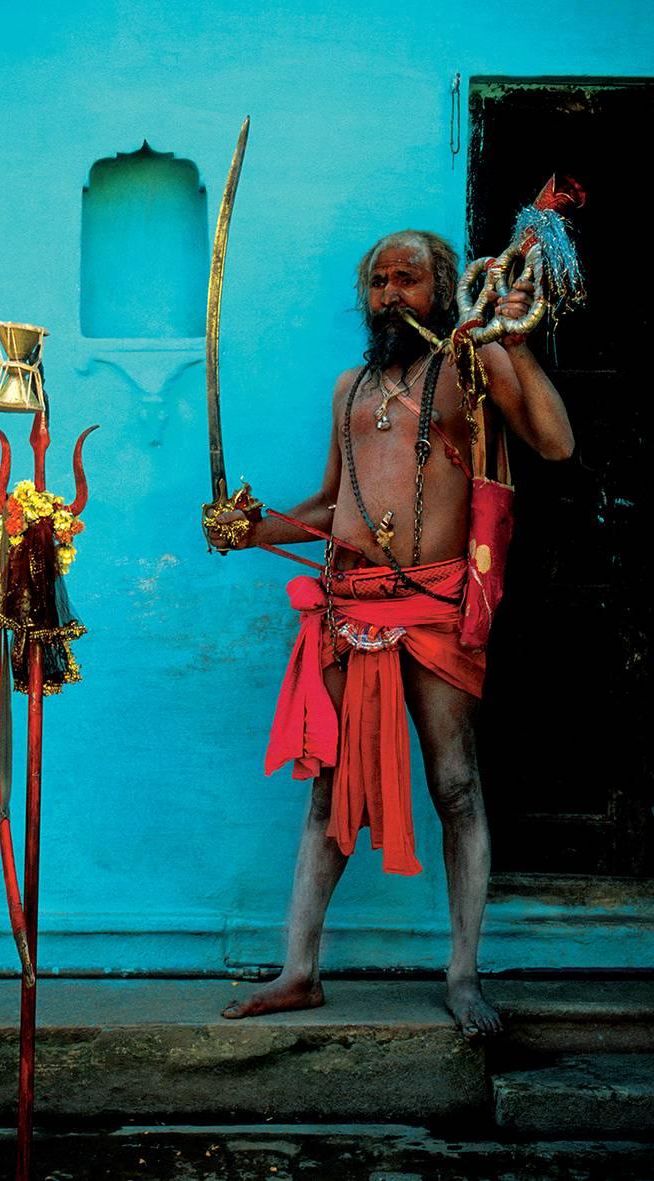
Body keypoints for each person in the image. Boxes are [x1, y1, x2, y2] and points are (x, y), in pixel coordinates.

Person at [208, 231, 574, 1038]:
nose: (390, 294)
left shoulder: (472, 368)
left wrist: (515, 344)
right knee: (325, 795)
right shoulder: (349, 388)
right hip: (350, 609)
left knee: (457, 787)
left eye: (408, 278)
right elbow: (329, 510)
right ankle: (299, 969)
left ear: (443, 289)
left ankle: (464, 974)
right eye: (378, 281)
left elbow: (555, 444)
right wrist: (251, 527)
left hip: (436, 608)